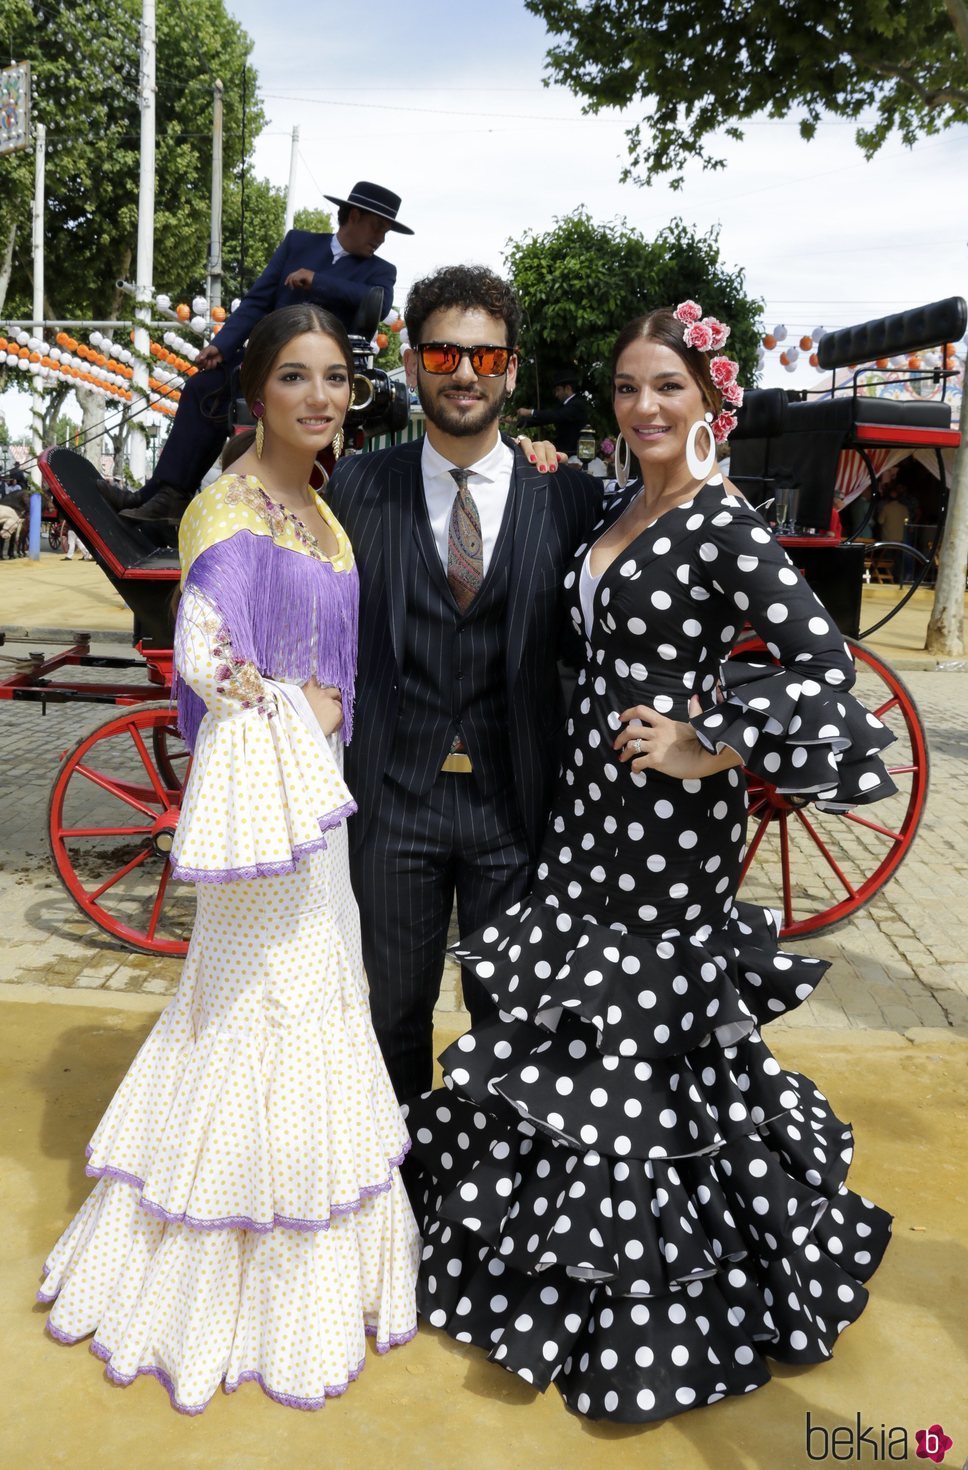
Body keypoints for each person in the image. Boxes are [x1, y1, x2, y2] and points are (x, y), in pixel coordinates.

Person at [402, 303, 896, 1424]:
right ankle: (550, 1274)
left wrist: (706, 744)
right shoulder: (624, 502)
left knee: (641, 1053)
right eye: (627, 389)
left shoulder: (718, 521)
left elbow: (823, 664)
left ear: (708, 399)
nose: (643, 408)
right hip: (584, 813)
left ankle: (642, 1315)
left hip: (670, 829)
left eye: (665, 388)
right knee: (577, 1034)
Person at [38, 304, 420, 1414]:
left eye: (336, 378)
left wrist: (318, 716)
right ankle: (220, 1279)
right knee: (257, 1008)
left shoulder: (319, 507)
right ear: (255, 391)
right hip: (270, 811)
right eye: (294, 376)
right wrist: (289, 705)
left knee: (313, 1006)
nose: (318, 396)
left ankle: (307, 1264)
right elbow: (204, 658)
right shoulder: (229, 507)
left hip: (317, 804)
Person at [326, 266, 604, 1103]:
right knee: (392, 1015)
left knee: (511, 1018)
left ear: (512, 370)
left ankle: (491, 1205)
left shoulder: (570, 495)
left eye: (486, 359)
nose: (464, 374)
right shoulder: (356, 487)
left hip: (516, 804)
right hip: (390, 798)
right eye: (444, 353)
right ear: (412, 365)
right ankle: (399, 1198)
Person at [111, 181, 413, 526]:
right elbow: (257, 301)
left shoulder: (381, 271)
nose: (381, 238)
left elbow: (379, 301)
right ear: (354, 216)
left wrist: (316, 280)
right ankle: (165, 496)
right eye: (378, 226)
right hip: (267, 360)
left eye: (387, 231)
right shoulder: (298, 244)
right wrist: (221, 347)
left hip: (320, 375)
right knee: (203, 389)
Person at [516, 368, 590, 457]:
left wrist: (530, 412)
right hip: (564, 453)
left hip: (575, 455)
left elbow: (555, 416)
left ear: (568, 388)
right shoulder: (563, 406)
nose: (556, 394)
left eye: (558, 390)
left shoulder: (577, 404)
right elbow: (544, 419)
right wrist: (518, 422)